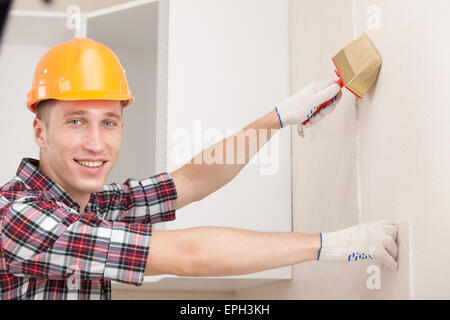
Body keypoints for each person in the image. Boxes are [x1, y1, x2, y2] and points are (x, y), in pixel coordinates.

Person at [0, 38, 398, 300]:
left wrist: (277, 118)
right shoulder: (19, 216)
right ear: (40, 131)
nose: (96, 143)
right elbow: (188, 254)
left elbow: (190, 180)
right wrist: (326, 245)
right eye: (75, 121)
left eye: (109, 122)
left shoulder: (93, 202)